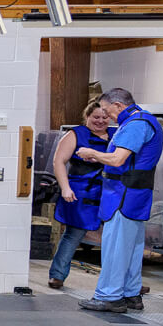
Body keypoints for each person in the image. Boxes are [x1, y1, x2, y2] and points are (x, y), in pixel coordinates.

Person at [75, 88, 163, 313]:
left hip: (123, 195)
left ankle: (109, 296)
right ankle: (131, 294)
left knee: (115, 248)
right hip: (136, 194)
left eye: (107, 111)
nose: (106, 116)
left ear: (118, 105)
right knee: (132, 249)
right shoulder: (145, 121)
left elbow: (116, 159)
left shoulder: (136, 124)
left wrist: (91, 153)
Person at [47, 100, 112, 289]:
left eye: (104, 117)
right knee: (73, 234)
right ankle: (57, 275)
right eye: (96, 117)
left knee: (116, 238)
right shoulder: (75, 134)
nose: (100, 121)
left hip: (108, 193)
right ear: (87, 117)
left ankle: (127, 282)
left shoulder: (116, 135)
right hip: (81, 193)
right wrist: (65, 188)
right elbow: (59, 162)